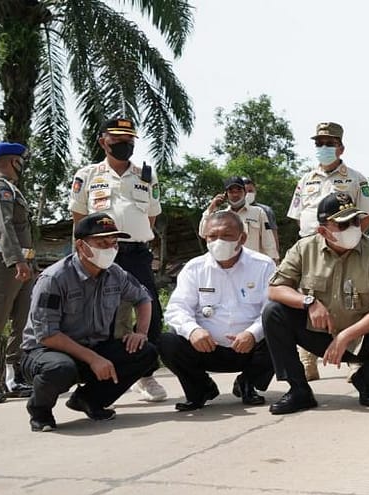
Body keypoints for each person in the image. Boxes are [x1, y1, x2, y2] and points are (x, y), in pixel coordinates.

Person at [264, 192, 369, 414]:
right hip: (319, 334)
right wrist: (309, 302)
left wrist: (345, 336)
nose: (353, 228)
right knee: (273, 312)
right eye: (343, 224)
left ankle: (365, 381)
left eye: (355, 221)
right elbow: (275, 289)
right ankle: (298, 390)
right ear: (323, 230)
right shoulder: (304, 248)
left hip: (361, 338)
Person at [19, 213, 158, 432]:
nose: (109, 249)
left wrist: (140, 332)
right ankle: (40, 411)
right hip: (46, 351)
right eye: (102, 243)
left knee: (145, 352)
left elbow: (143, 298)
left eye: (113, 243)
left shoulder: (116, 273)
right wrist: (93, 359)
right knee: (59, 368)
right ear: (81, 245)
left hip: (92, 346)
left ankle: (89, 400)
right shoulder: (54, 279)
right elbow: (47, 334)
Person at [68, 117, 166, 403]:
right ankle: (92, 374)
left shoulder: (145, 175)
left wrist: (135, 235)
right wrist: (86, 252)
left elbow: (151, 215)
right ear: (102, 141)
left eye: (129, 140)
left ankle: (146, 375)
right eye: (117, 140)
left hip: (135, 252)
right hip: (99, 253)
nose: (125, 145)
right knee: (99, 315)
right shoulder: (87, 175)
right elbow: (79, 217)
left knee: (150, 311)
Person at [287, 122, 369, 381]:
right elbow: (298, 216)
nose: (323, 148)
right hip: (311, 248)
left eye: (329, 143)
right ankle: (308, 362)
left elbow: (366, 215)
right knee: (308, 299)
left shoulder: (356, 178)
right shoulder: (306, 180)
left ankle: (357, 359)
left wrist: (348, 241)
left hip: (344, 249)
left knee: (352, 300)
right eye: (319, 144)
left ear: (341, 147)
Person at [159, 211, 275, 411]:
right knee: (167, 341)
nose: (218, 241)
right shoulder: (194, 268)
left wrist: (252, 334)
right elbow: (177, 308)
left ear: (242, 238)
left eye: (227, 236)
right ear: (205, 238)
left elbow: (271, 308)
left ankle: (249, 383)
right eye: (212, 236)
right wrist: (193, 331)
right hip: (207, 347)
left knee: (281, 328)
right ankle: (201, 389)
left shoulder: (263, 265)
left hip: (251, 347)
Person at [0, 142, 35, 403]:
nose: (22, 165)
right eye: (20, 160)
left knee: (22, 321)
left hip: (22, 263)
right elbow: (2, 225)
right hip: (2, 262)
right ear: (10, 161)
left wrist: (26, 262)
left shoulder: (13, 190)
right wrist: (16, 260)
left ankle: (13, 378)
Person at [199, 176, 279, 263]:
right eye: (231, 192)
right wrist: (211, 208)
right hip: (229, 266)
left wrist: (273, 260)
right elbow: (203, 233)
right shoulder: (221, 216)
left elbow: (268, 240)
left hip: (254, 265)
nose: (235, 194)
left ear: (244, 192)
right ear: (226, 195)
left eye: (239, 191)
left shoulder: (258, 212)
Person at [241, 177, 280, 256]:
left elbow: (273, 236)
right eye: (245, 191)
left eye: (250, 191)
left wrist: (275, 257)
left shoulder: (265, 210)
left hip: (260, 258)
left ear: (255, 191)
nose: (248, 194)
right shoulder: (232, 212)